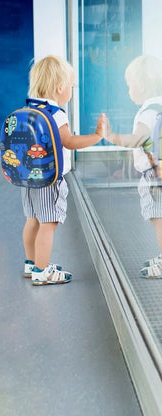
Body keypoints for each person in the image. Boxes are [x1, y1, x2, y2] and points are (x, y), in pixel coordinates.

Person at [22, 55, 105, 285]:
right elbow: (69, 141)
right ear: (60, 87)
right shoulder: (56, 114)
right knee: (48, 223)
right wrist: (97, 136)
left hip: (29, 178)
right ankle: (42, 271)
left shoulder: (30, 108)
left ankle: (32, 263)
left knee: (33, 220)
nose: (72, 90)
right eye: (71, 86)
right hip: (50, 179)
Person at [105, 54, 162, 279]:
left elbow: (136, 139)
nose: (128, 90)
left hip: (154, 178)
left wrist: (111, 136)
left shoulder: (148, 113)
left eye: (129, 85)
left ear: (140, 86)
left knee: (159, 220)